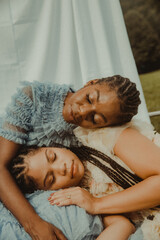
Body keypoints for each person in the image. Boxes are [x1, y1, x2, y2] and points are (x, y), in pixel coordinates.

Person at [0, 75, 141, 239]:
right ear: (90, 82)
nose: (82, 112)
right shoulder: (35, 98)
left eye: (96, 118)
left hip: (44, 186)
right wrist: (34, 224)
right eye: (89, 99)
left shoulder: (91, 143)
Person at [6, 145, 135, 240]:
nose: (61, 168)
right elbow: (124, 224)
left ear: (54, 146)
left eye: (53, 156)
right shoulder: (76, 202)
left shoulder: (98, 144)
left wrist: (96, 204)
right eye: (52, 179)